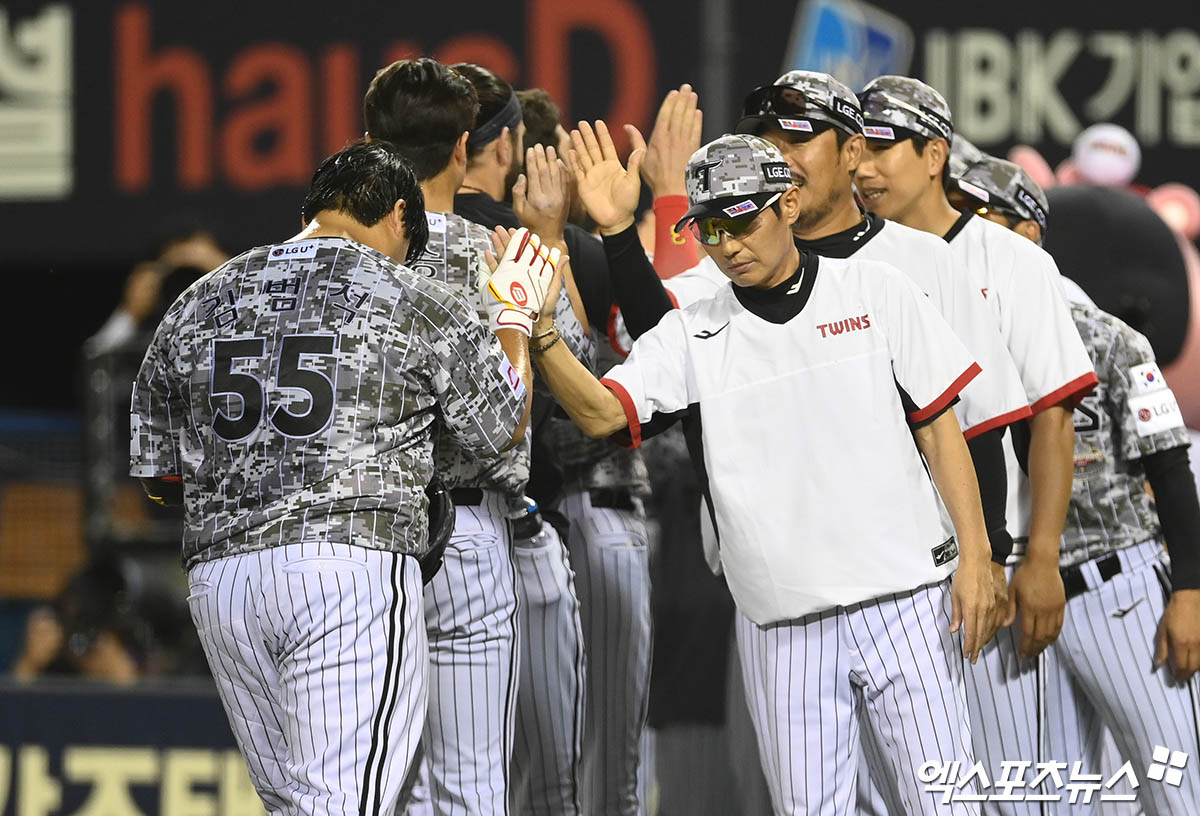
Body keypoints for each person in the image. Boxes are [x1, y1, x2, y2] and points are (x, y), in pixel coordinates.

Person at [544, 130, 997, 814]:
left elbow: (940, 427)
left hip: (905, 600)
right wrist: (539, 334)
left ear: (787, 204)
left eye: (744, 219)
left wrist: (978, 555)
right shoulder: (690, 333)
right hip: (782, 625)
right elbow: (603, 415)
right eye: (711, 227)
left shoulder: (874, 287)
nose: (728, 244)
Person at [129, 140, 556, 816]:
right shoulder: (415, 296)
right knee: (339, 805)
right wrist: (514, 317)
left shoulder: (197, 300)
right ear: (396, 216)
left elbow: (157, 479)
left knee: (298, 804)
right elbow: (499, 424)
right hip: (344, 572)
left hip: (222, 585)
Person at [854, 75, 1098, 813]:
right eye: (855, 148)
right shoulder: (848, 259)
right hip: (881, 570)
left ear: (934, 154)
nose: (863, 165)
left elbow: (1052, 416)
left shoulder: (1012, 261)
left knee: (1007, 791)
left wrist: (1043, 558)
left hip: (989, 564)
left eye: (882, 148)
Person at [363, 57, 589, 816]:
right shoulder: (496, 249)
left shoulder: (344, 259)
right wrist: (546, 255)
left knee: (383, 783)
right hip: (465, 530)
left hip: (365, 535)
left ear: (370, 144)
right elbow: (576, 372)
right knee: (470, 783)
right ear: (464, 148)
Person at [952, 157, 1200, 813]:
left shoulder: (1110, 340)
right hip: (1010, 600)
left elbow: (1171, 467)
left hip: (1117, 593)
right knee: (1036, 802)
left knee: (1178, 790)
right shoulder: (943, 339)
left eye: (980, 221)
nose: (960, 239)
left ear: (1028, 234)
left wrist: (1191, 591)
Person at [454, 64, 654, 816]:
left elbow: (634, 390)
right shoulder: (552, 244)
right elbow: (608, 396)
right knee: (562, 776)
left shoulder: (585, 251)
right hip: (523, 519)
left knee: (507, 772)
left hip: (557, 510)